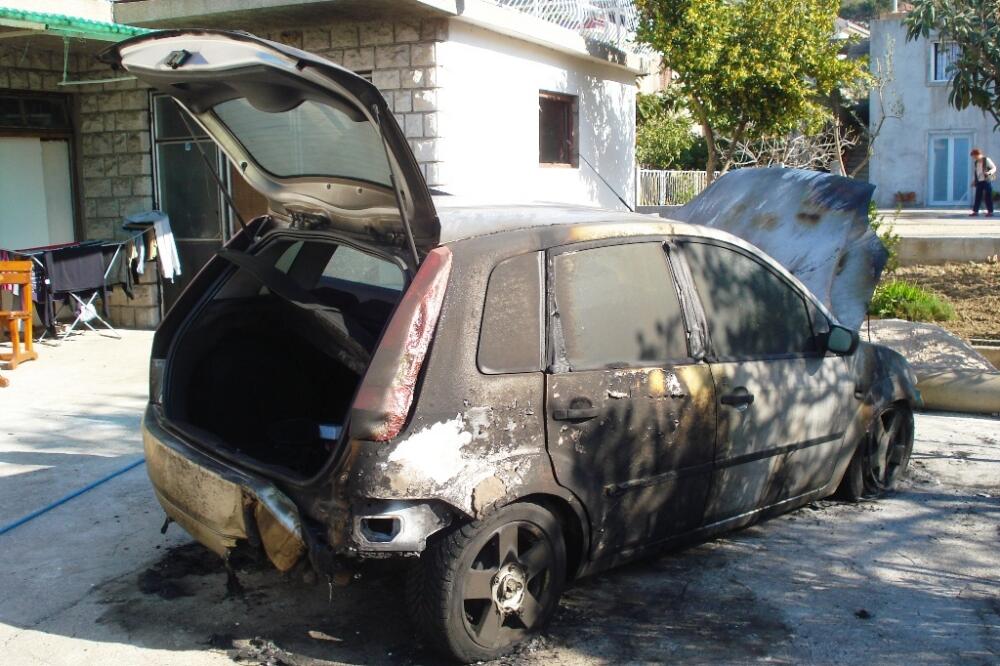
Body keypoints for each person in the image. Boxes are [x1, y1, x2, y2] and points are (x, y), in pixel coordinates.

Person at [970, 148, 996, 217]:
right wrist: (974, 181)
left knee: (988, 196)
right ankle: (975, 211)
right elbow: (977, 172)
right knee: (978, 196)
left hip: (986, 180)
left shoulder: (986, 160)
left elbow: (994, 168)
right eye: (973, 157)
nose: (974, 158)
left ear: (978, 154)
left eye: (974, 156)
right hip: (979, 181)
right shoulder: (976, 162)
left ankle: (990, 212)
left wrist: (989, 173)